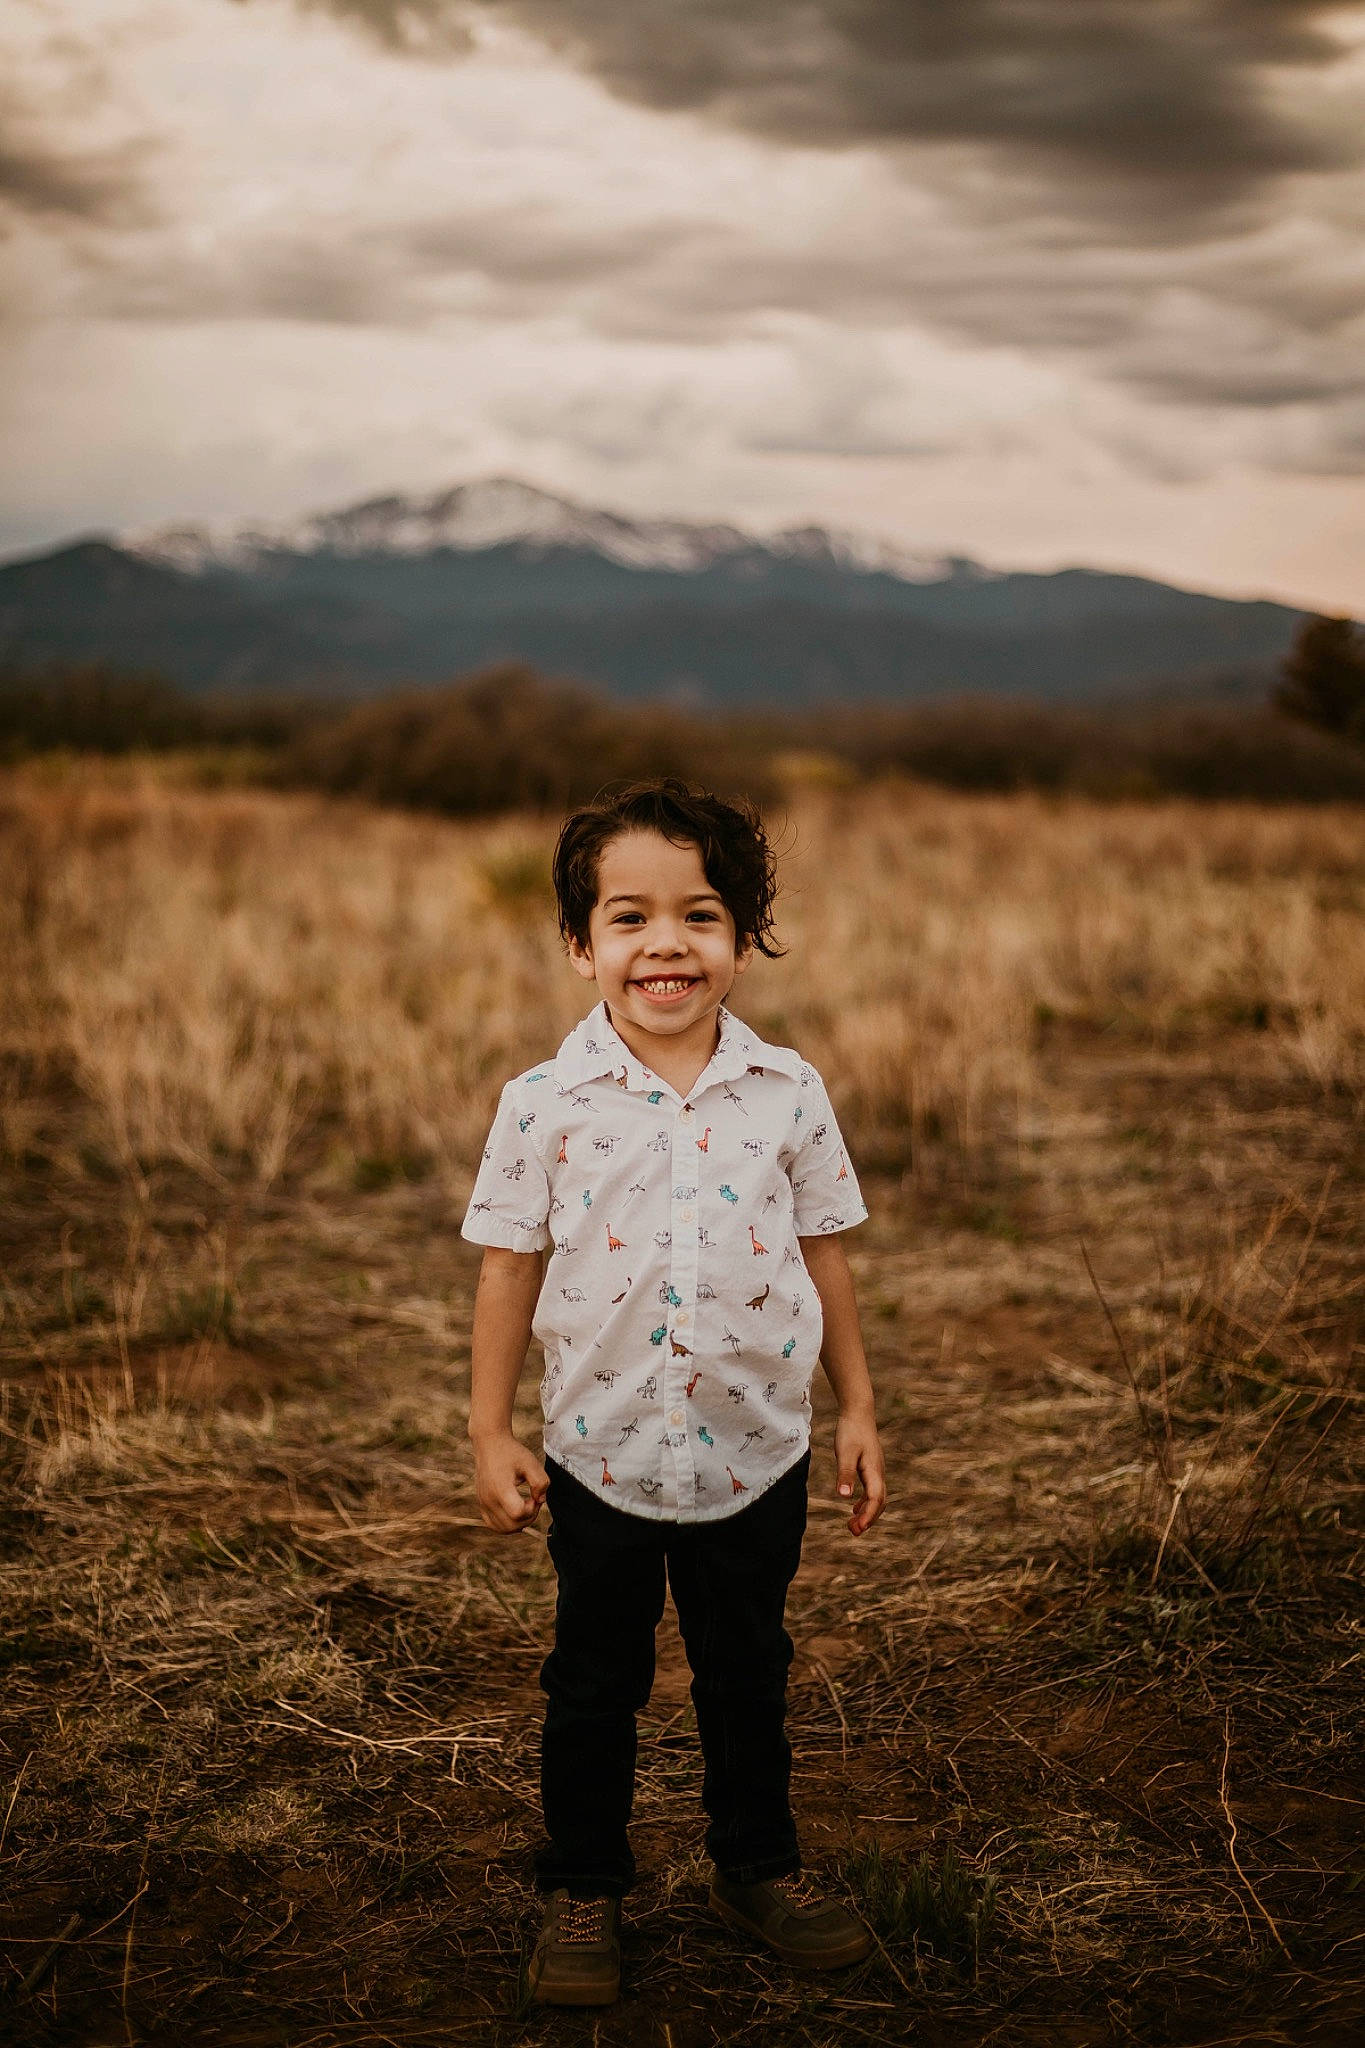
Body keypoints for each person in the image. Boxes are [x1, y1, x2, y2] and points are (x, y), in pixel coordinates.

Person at [462, 777, 887, 2006]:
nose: (667, 943)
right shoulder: (542, 1103)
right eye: (630, 916)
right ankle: (584, 1885)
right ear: (579, 943)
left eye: (701, 915)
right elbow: (507, 1266)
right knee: (594, 1679)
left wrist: (858, 1407)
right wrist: (489, 1427)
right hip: (600, 1451)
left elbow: (825, 1253)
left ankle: (755, 1867)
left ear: (743, 939)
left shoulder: (788, 1090)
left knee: (746, 1669)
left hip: (759, 1448)